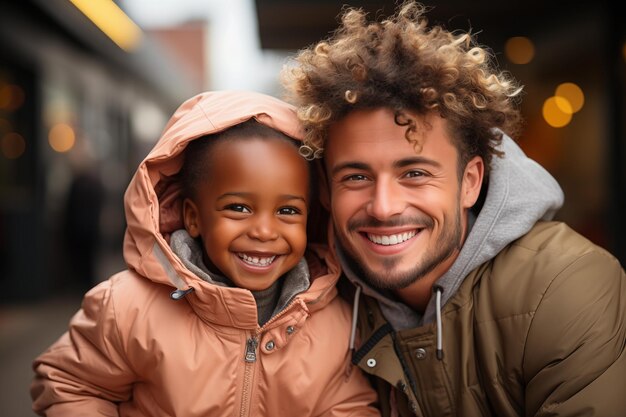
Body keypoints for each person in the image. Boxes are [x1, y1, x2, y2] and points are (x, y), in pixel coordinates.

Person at [281, 2, 626, 416]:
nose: (384, 207)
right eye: (355, 177)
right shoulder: (316, 294)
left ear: (470, 182)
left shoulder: (564, 285)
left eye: (414, 174)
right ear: (326, 190)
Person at [30, 90, 381, 416]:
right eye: (239, 208)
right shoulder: (128, 308)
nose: (264, 231)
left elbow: (348, 405)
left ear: (312, 218)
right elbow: (69, 385)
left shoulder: (332, 321)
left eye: (287, 211)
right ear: (194, 218)